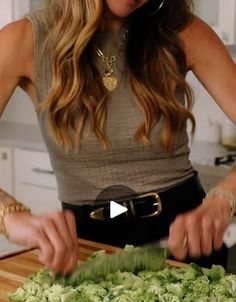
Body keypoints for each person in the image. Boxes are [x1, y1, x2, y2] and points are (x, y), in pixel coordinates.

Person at [0, 0, 236, 275]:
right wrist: (10, 214)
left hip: (185, 243)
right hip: (87, 248)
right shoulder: (23, 40)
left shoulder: (183, 31)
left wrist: (225, 197)